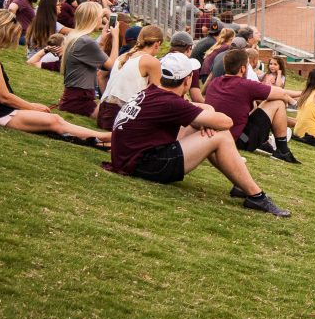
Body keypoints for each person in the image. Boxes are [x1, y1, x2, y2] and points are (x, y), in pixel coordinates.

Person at [103, 52, 290, 217]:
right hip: (144, 165)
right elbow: (227, 122)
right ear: (186, 80)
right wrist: (206, 118)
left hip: (127, 158)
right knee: (220, 135)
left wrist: (203, 115)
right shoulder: (171, 102)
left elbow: (196, 110)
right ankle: (256, 195)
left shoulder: (151, 92)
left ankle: (242, 185)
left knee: (206, 127)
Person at [0, 10, 110, 144]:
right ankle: (105, 137)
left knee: (50, 121)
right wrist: (32, 107)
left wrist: (30, 106)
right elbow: (3, 97)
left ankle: (100, 139)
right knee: (53, 121)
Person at [202, 48, 302, 163]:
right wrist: (292, 100)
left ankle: (267, 143)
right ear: (243, 68)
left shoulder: (215, 82)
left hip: (217, 134)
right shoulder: (246, 85)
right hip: (241, 139)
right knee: (277, 101)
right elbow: (281, 93)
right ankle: (282, 151)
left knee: (259, 104)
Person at [58, 1, 120, 118]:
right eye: (100, 17)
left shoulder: (76, 37)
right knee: (115, 117)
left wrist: (102, 41)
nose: (101, 21)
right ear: (93, 19)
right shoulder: (86, 42)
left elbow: (98, 62)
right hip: (80, 101)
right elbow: (112, 66)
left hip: (74, 97)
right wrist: (115, 37)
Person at [98, 25, 165, 131]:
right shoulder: (152, 62)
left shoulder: (123, 56)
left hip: (103, 114)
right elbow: (156, 95)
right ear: (157, 44)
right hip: (121, 117)